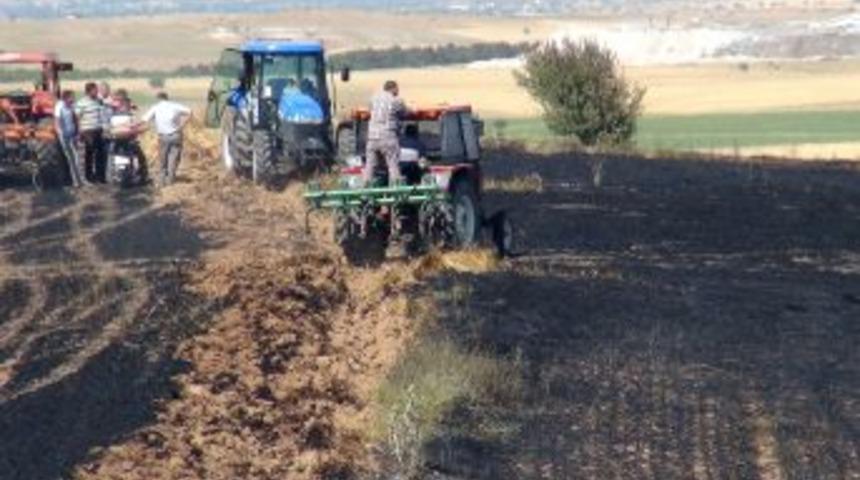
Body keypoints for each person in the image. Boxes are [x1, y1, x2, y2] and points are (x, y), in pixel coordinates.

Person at [141, 91, 191, 187]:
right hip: (176, 135)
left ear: (158, 98)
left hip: (163, 137)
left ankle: (162, 179)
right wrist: (183, 124)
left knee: (163, 157)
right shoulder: (175, 106)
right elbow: (190, 111)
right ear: (167, 98)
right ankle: (170, 179)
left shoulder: (155, 107)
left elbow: (144, 119)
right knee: (174, 157)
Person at [365, 80, 407, 186]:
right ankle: (395, 190)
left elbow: (370, 110)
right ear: (393, 88)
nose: (398, 91)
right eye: (397, 89)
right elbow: (404, 112)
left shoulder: (373, 99)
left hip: (372, 138)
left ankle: (365, 188)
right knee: (393, 165)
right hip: (388, 136)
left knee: (370, 166)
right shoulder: (396, 100)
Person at [75, 82, 107, 183]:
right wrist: (79, 131)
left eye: (97, 90)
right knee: (90, 153)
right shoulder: (81, 103)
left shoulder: (98, 101)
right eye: (95, 90)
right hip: (87, 131)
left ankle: (100, 176)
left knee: (100, 153)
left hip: (98, 129)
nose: (97, 91)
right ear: (89, 91)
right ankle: (89, 176)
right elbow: (77, 117)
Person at [53, 89, 86, 188]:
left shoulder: (72, 106)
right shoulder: (60, 106)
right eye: (72, 97)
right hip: (64, 136)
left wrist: (78, 131)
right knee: (71, 158)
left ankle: (81, 180)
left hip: (73, 134)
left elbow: (76, 118)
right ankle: (75, 181)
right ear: (66, 98)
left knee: (77, 158)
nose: (73, 99)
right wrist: (60, 132)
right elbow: (57, 120)